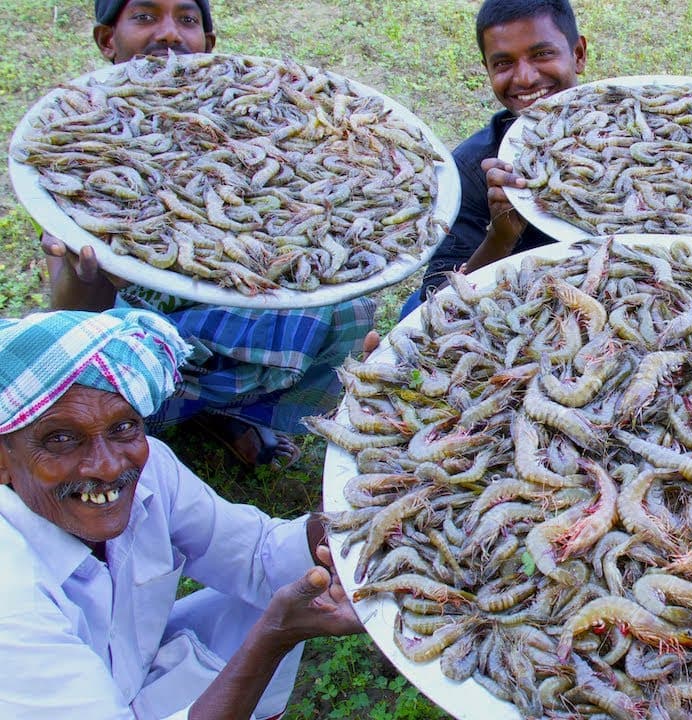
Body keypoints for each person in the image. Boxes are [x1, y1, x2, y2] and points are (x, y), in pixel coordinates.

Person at [42, 0, 377, 470]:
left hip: (225, 313)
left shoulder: (249, 117)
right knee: (87, 378)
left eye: (187, 19)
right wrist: (89, 275)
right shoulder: (85, 135)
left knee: (349, 309)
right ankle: (143, 426)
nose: (168, 35)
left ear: (210, 44)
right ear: (106, 40)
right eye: (144, 17)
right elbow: (68, 319)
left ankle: (231, 412)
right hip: (137, 330)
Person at [0, 309, 364, 719]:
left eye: (123, 427)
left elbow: (257, 555)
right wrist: (275, 638)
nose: (106, 467)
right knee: (272, 621)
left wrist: (368, 493)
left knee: (286, 587)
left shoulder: (150, 467)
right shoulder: (12, 603)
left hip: (132, 670)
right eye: (62, 439)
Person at [400, 0, 587, 317]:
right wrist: (500, 237)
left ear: (578, 54)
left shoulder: (643, 132)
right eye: (503, 63)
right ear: (486, 69)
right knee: (412, 311)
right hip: (527, 305)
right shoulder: (474, 168)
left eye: (542, 54)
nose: (525, 78)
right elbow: (437, 301)